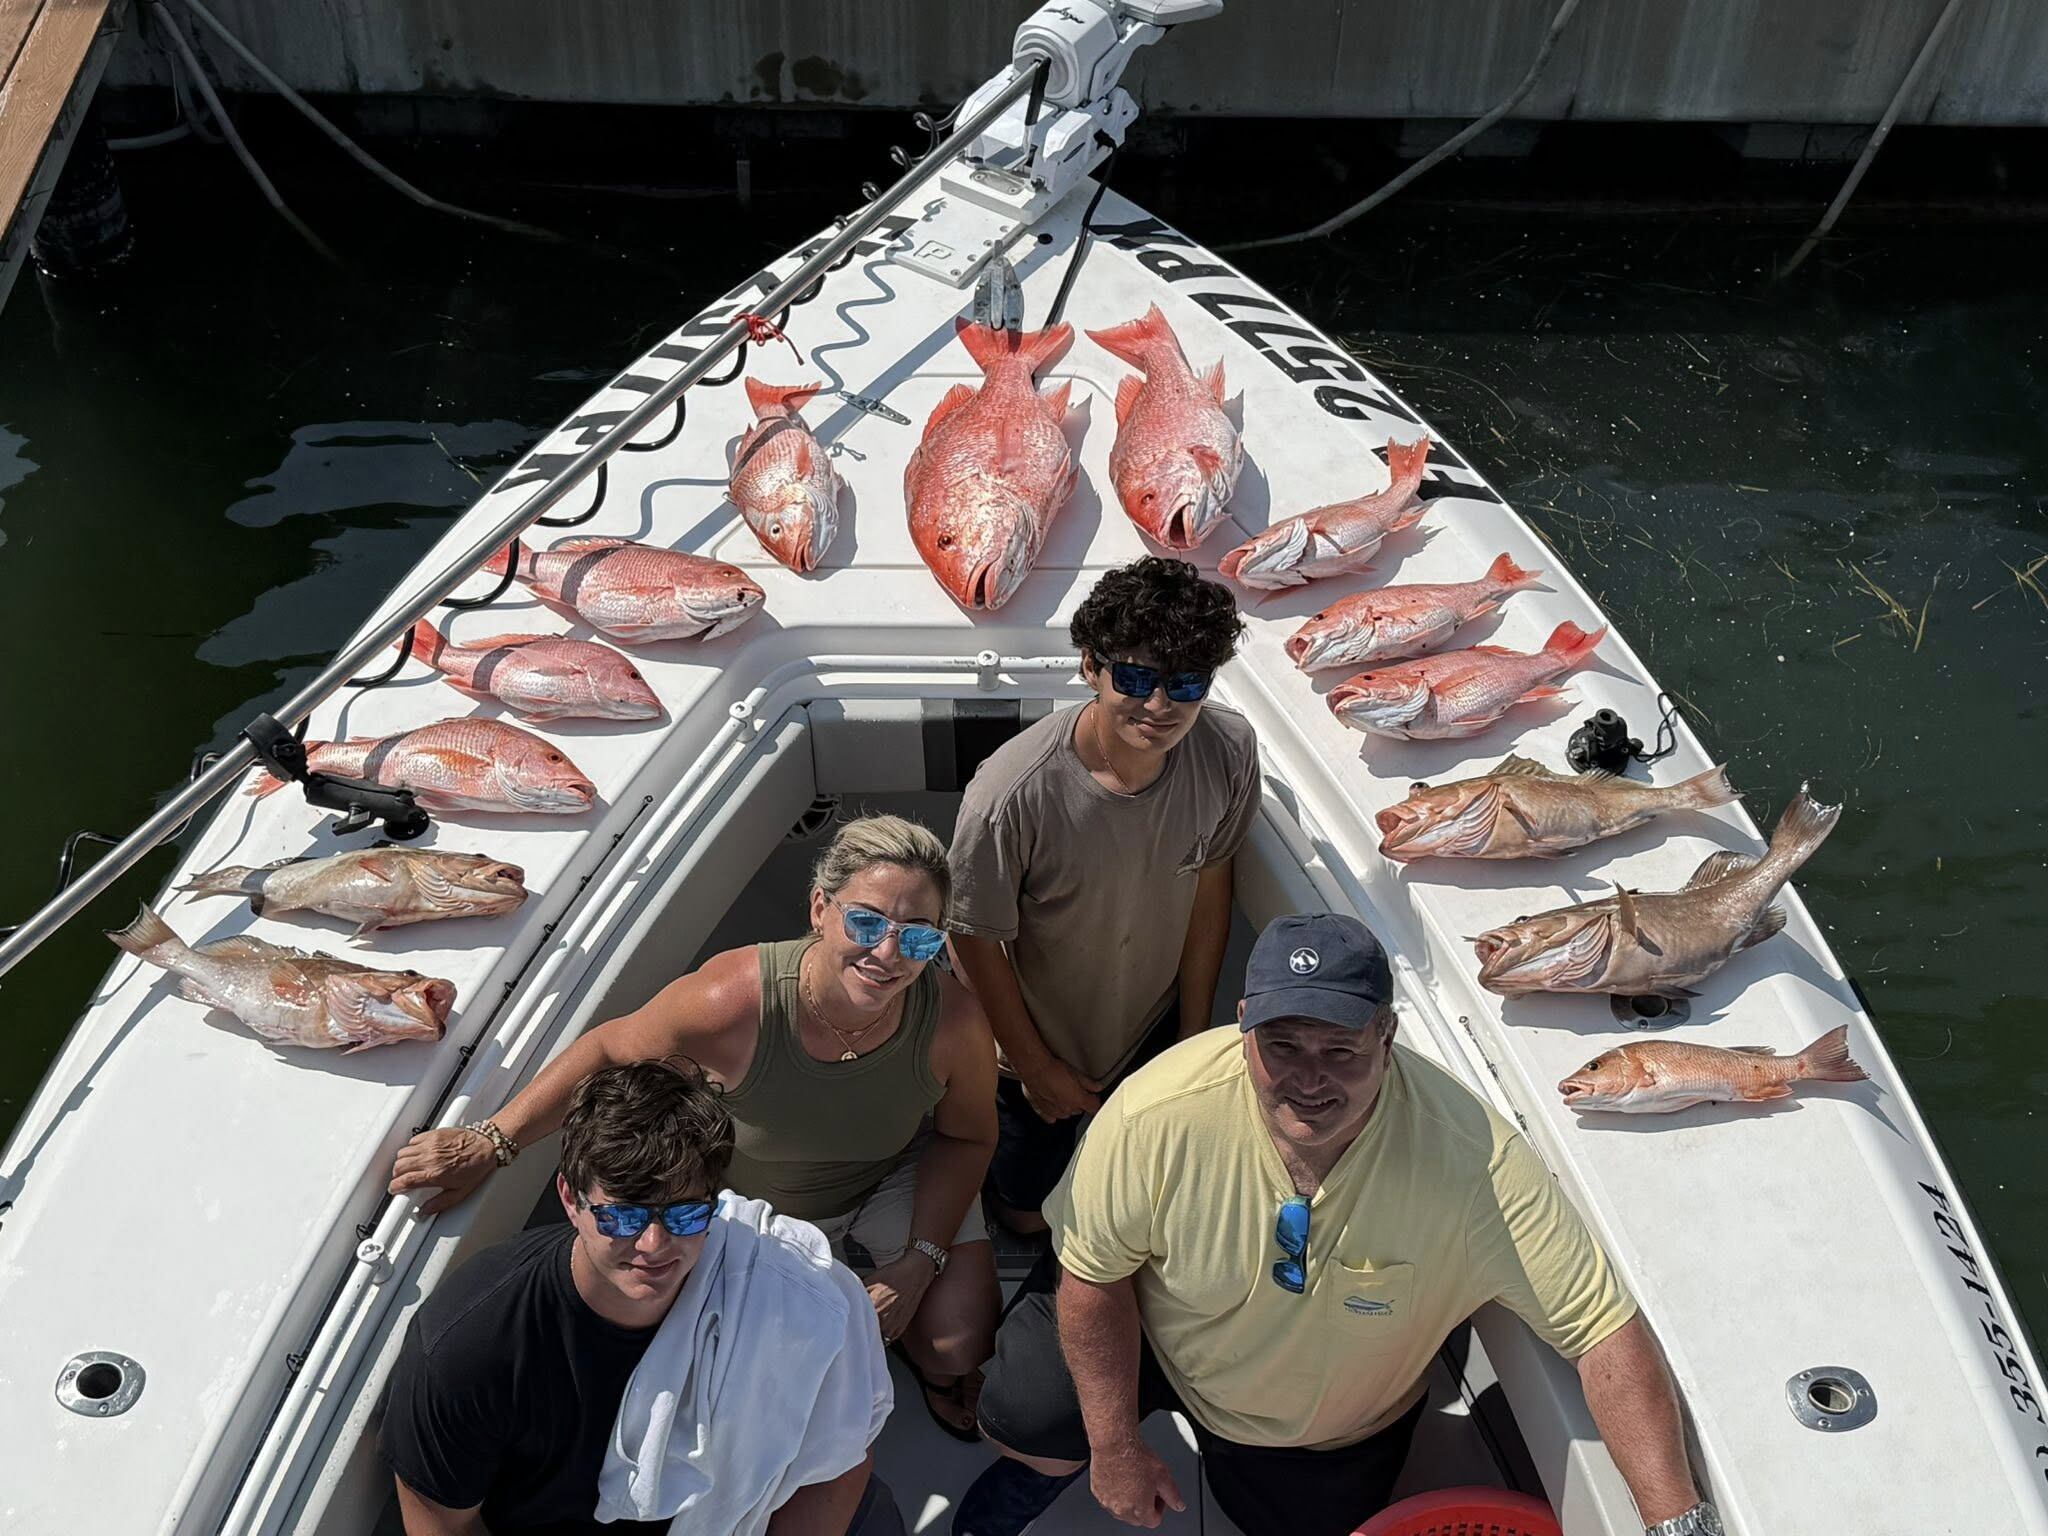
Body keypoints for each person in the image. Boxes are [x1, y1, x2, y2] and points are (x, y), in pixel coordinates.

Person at [957, 912, 1723, 1536]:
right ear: (1243, 1026)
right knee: (1024, 1414)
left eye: (1341, 1049)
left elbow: (1602, 1333)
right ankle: (1034, 1483)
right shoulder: (1153, 1114)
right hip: (1155, 1333)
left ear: (1387, 1039)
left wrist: (1676, 1527)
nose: (1309, 1079)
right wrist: (1115, 1447)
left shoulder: (1475, 1161)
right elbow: (1094, 1277)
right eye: (1282, 1046)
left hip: (1315, 1434)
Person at [389, 814, 1002, 1439]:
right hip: (760, 1207)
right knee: (762, 1384)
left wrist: (920, 1262)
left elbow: (968, 1137)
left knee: (955, 1346)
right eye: (866, 922)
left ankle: (915, 1351)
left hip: (891, 1177)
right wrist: (494, 1141)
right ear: (820, 908)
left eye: (920, 938)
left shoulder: (953, 1021)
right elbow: (606, 1052)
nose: (888, 955)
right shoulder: (732, 1002)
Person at [380, 1060, 901, 1536]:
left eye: (685, 1214)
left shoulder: (783, 1292)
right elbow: (443, 1528)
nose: (654, 1245)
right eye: (624, 1216)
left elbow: (840, 1457)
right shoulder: (468, 1346)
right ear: (570, 1198)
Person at [947, 555, 1255, 1234]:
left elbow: (1212, 882)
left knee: (1141, 1182)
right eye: (1136, 677)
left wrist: (1191, 1038)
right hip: (1036, 1057)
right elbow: (970, 936)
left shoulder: (1229, 751)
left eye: (1185, 683)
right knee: (1025, 1215)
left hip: (1153, 1032)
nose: (1158, 705)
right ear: (1090, 666)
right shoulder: (1008, 795)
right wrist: (1033, 1067)